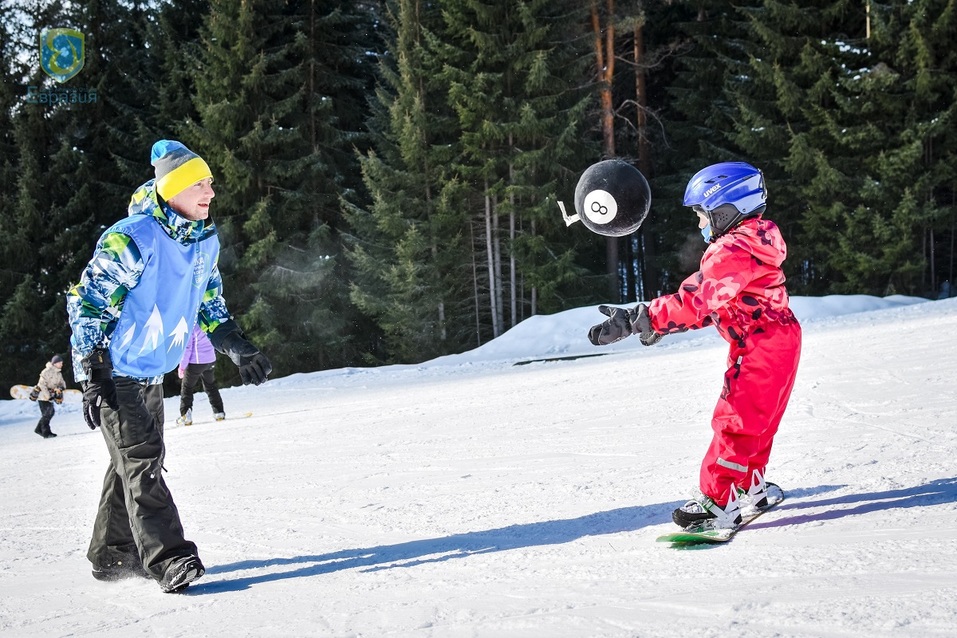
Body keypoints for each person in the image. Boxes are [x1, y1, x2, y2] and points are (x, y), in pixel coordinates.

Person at [66, 139, 272, 593]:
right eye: (198, 183)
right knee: (143, 461)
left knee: (131, 463)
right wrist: (93, 370)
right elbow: (88, 304)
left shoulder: (203, 239)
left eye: (211, 182)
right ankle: (170, 558)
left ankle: (112, 553)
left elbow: (208, 300)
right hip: (116, 372)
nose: (210, 191)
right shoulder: (131, 237)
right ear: (172, 189)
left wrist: (235, 344)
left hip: (153, 373)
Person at [588, 161, 802, 530]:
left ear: (725, 210)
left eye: (702, 216)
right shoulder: (758, 238)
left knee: (735, 422)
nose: (700, 224)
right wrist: (663, 326)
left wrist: (643, 317)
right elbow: (722, 304)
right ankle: (749, 485)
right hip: (781, 339)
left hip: (757, 346)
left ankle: (718, 502)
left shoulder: (731, 250)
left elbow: (697, 300)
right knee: (758, 421)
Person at [176, 323, 225, 425]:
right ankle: (219, 412)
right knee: (210, 385)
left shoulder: (191, 325)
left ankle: (185, 415)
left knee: (187, 387)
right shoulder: (208, 321)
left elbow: (187, 348)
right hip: (210, 360)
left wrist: (182, 366)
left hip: (196, 362)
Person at [31, 354, 67, 439]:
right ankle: (46, 432)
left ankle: (39, 429)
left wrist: (60, 388)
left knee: (51, 412)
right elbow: (41, 385)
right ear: (55, 363)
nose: (62, 364)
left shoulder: (58, 373)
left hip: (51, 395)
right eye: (60, 363)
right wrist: (48, 396)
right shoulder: (46, 372)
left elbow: (62, 383)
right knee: (47, 413)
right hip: (43, 395)